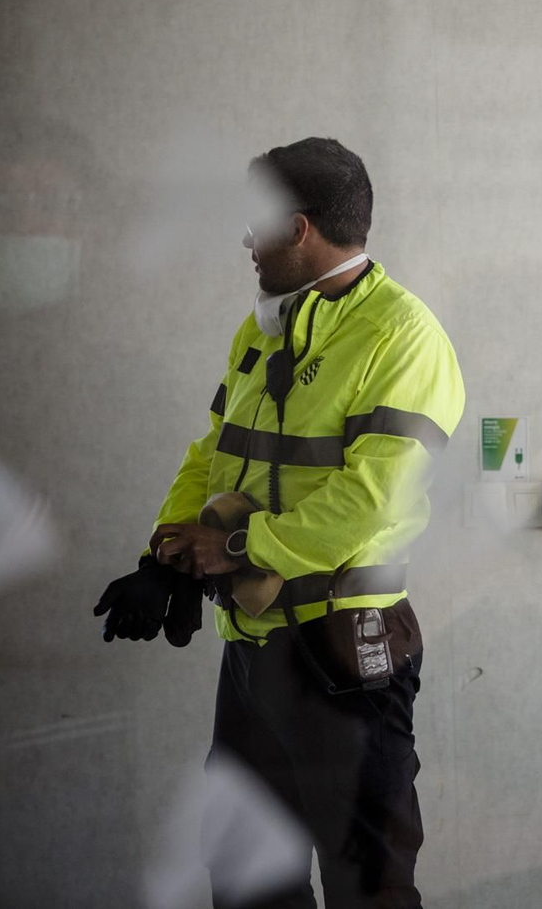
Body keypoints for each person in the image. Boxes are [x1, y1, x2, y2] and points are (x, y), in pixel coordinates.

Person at [92, 137, 465, 909]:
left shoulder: (404, 335)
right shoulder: (264, 328)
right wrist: (165, 555)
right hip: (253, 657)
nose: (244, 240)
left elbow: (373, 500)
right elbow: (212, 455)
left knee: (369, 886)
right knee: (245, 879)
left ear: (299, 228)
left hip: (342, 651)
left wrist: (230, 548)